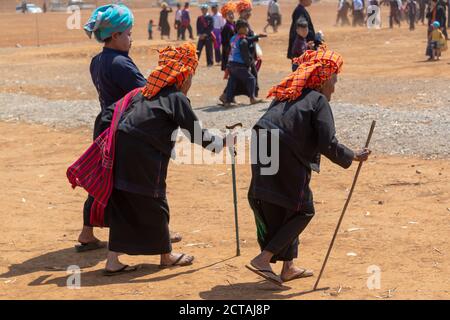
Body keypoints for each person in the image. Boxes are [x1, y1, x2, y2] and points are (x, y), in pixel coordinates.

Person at [69, 43, 230, 275]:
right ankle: (167, 256)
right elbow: (199, 136)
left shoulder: (143, 93)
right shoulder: (176, 98)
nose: (190, 83)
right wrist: (224, 143)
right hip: (142, 153)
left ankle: (113, 261)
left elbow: (108, 113)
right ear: (183, 77)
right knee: (156, 201)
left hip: (121, 147)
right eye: (191, 76)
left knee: (123, 198)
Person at [246, 49, 371, 286]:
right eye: (334, 80)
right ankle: (264, 259)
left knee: (284, 203)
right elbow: (327, 142)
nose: (334, 86)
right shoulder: (318, 100)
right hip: (284, 148)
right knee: (303, 209)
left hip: (262, 141)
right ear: (323, 79)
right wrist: (352, 155)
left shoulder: (287, 93)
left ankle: (288, 267)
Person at [79, 4, 146, 252]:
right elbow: (145, 93)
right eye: (128, 33)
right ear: (115, 35)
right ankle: (157, 233)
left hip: (105, 125)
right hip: (122, 129)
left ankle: (87, 233)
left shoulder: (98, 60)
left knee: (101, 179)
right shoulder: (120, 63)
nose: (131, 38)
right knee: (136, 182)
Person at [223, 20, 264, 107]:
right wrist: (248, 64)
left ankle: (227, 101)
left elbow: (247, 39)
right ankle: (252, 98)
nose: (248, 29)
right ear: (240, 29)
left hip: (231, 64)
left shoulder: (234, 38)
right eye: (246, 27)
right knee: (251, 79)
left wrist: (257, 36)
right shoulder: (243, 42)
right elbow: (245, 55)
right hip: (239, 65)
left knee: (232, 81)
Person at [221, 2, 237, 72]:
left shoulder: (235, 24)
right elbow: (225, 43)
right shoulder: (226, 27)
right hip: (230, 53)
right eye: (229, 14)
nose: (231, 15)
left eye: (232, 13)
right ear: (225, 16)